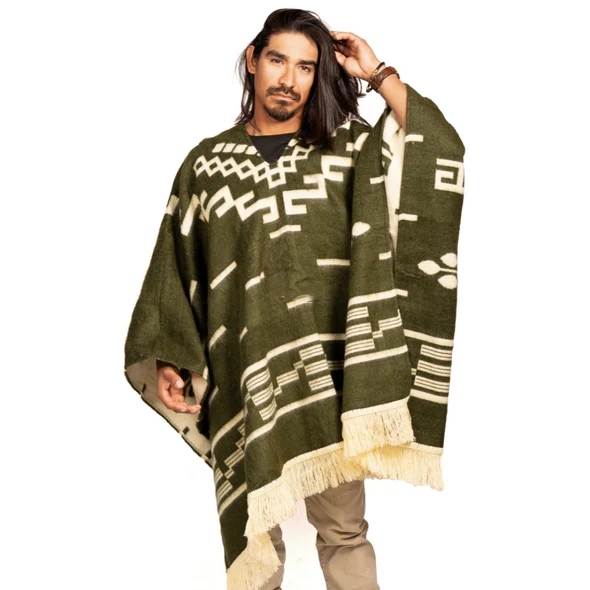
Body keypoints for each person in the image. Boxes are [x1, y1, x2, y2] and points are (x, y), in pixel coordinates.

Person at [125, 8, 465, 590]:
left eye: (306, 67)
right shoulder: (206, 165)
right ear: (253, 60)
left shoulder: (350, 148)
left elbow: (438, 149)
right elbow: (176, 269)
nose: (289, 79)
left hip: (330, 377)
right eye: (278, 60)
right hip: (244, 375)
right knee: (255, 538)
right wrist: (169, 357)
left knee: (344, 532)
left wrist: (377, 72)